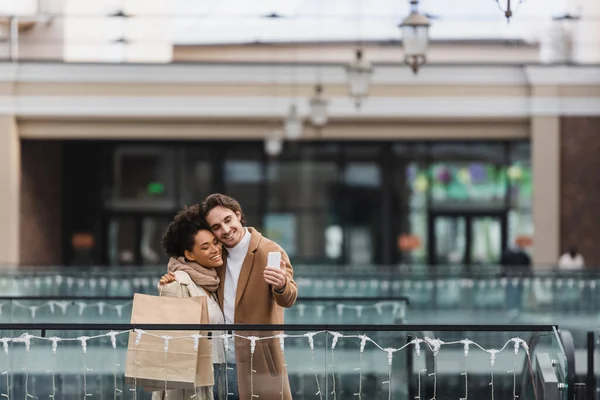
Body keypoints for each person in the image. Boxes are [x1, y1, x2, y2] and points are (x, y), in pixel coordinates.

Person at [200, 193, 298, 400]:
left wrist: (281, 285)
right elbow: (187, 261)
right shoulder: (217, 254)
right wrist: (172, 273)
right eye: (216, 227)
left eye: (228, 221)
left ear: (238, 215)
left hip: (259, 355)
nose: (225, 230)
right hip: (220, 355)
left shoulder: (268, 250)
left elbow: (288, 298)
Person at [155, 204, 227, 400]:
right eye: (205, 247)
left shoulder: (210, 283)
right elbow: (171, 337)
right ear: (189, 255)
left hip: (210, 374)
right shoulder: (180, 281)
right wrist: (167, 290)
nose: (215, 249)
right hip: (189, 382)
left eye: (215, 242)